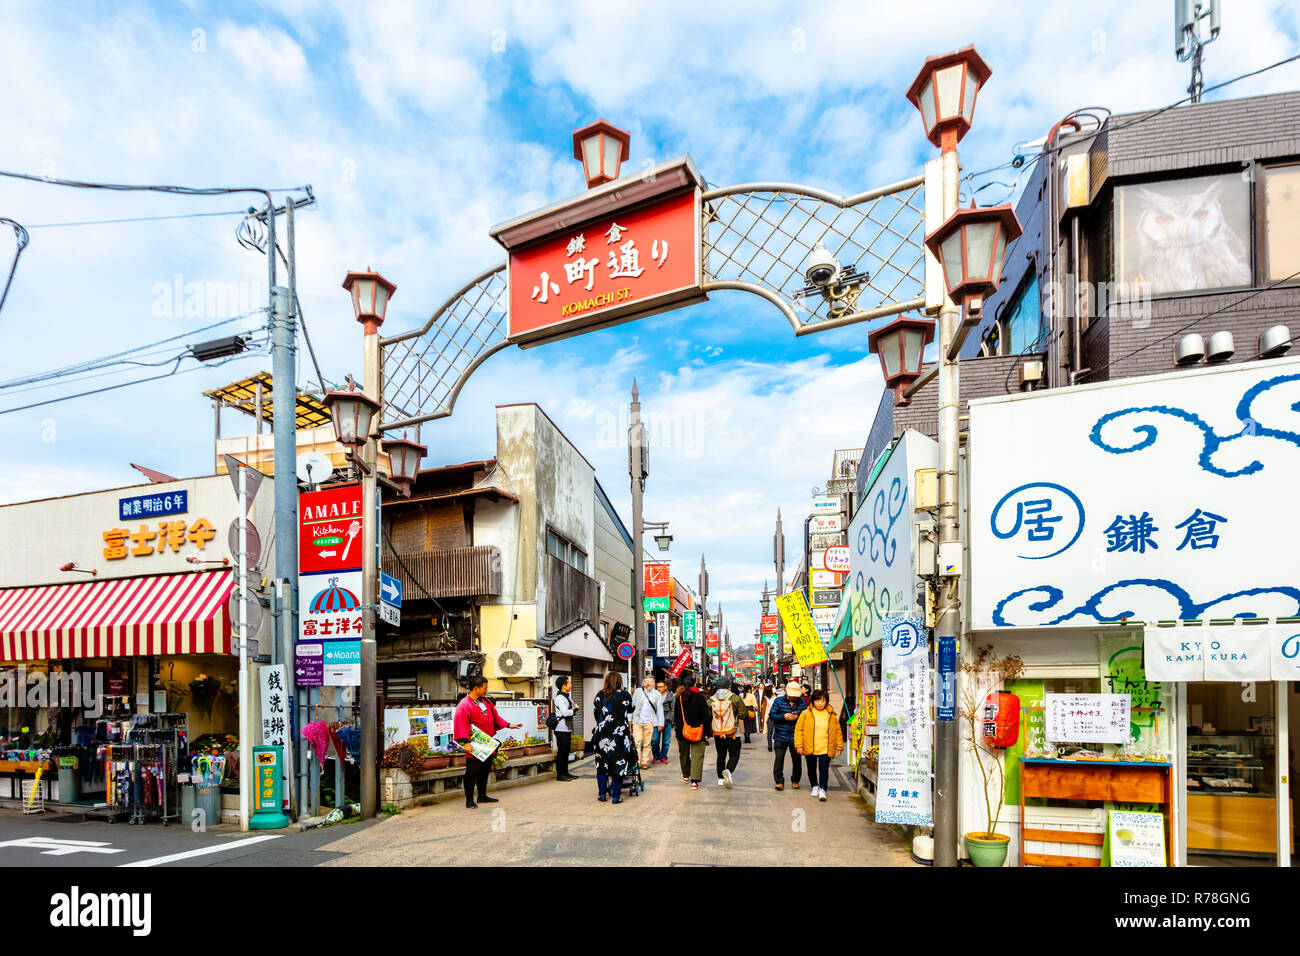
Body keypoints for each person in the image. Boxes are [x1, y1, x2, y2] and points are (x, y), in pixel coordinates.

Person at [453, 675, 522, 809]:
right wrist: (466, 743)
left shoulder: (485, 701)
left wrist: (508, 725)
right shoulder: (464, 705)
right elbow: (461, 724)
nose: (486, 690)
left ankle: (482, 795)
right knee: (472, 771)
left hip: (487, 742)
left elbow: (495, 717)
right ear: (475, 688)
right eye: (484, 688)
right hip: (474, 743)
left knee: (484, 770)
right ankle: (469, 800)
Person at [590, 672, 636, 803]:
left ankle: (602, 795)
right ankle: (616, 797)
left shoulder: (599, 695)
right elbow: (631, 709)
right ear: (619, 681)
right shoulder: (625, 695)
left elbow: (596, 713)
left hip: (601, 735)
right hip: (620, 736)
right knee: (618, 766)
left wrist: (603, 724)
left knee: (601, 765)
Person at [794, 688, 844, 801]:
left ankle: (822, 789)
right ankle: (814, 786)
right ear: (813, 701)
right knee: (811, 768)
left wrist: (839, 746)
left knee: (824, 768)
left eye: (822, 700)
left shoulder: (831, 714)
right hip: (810, 746)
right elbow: (799, 730)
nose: (820, 703)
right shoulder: (806, 713)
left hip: (825, 747)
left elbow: (837, 731)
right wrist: (799, 745)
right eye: (817, 701)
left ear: (826, 701)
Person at [673, 674, 712, 790]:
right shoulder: (699, 698)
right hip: (698, 731)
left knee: (684, 755)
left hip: (682, 732)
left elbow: (676, 716)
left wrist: (678, 730)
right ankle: (694, 781)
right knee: (697, 756)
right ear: (695, 684)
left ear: (683, 685)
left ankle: (686, 775)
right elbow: (706, 716)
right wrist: (706, 733)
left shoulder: (679, 698)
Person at [768, 681, 808, 791]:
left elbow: (807, 716)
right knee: (779, 759)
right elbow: (772, 715)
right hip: (780, 735)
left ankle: (795, 780)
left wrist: (797, 717)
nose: (792, 698)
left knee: (797, 760)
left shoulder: (803, 702)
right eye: (791, 696)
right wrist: (783, 716)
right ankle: (779, 781)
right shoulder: (778, 701)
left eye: (795, 696)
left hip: (796, 736)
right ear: (786, 692)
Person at [709, 681, 744, 787]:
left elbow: (707, 714)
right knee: (734, 755)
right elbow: (743, 713)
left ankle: (720, 779)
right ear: (728, 687)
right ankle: (728, 771)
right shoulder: (736, 698)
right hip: (733, 732)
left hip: (718, 732)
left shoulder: (711, 700)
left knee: (721, 755)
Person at [629, 676, 663, 770]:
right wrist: (629, 719)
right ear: (644, 683)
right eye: (648, 682)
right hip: (638, 720)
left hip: (650, 721)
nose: (650, 684)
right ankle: (637, 761)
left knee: (648, 743)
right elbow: (632, 705)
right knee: (637, 742)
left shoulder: (657, 694)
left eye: (652, 682)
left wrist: (661, 723)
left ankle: (645, 762)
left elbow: (660, 709)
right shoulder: (638, 692)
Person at [552, 675, 577, 781]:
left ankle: (566, 773)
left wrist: (573, 708)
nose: (570, 685)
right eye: (569, 683)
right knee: (562, 752)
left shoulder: (566, 696)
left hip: (566, 728)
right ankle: (560, 774)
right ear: (563, 686)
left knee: (566, 751)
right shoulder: (560, 698)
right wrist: (574, 710)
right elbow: (565, 712)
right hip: (561, 728)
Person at [653, 679, 676, 764]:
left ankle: (663, 756)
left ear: (665, 687)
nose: (659, 689)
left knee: (666, 741)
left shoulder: (671, 697)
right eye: (658, 687)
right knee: (655, 740)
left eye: (661, 687)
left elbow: (673, 709)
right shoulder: (654, 696)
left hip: (667, 720)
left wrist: (671, 719)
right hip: (656, 720)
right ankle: (656, 755)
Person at [761, 683, 777, 752]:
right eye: (773, 687)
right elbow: (763, 709)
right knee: (770, 732)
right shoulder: (765, 698)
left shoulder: (776, 696)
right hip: (769, 717)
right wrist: (762, 718)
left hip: (777, 716)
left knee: (777, 732)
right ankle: (770, 746)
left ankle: (776, 745)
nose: (774, 688)